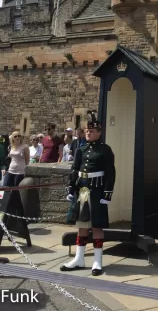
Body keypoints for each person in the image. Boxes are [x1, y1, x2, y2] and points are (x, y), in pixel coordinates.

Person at [61, 110, 115, 276]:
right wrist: (71, 187)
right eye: (87, 131)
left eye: (92, 131)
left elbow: (110, 172)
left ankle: (97, 261)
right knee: (82, 226)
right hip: (82, 190)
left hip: (97, 190)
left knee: (97, 226)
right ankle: (79, 259)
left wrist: (107, 193)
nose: (88, 133)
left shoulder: (105, 150)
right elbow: (75, 169)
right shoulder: (81, 150)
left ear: (99, 133)